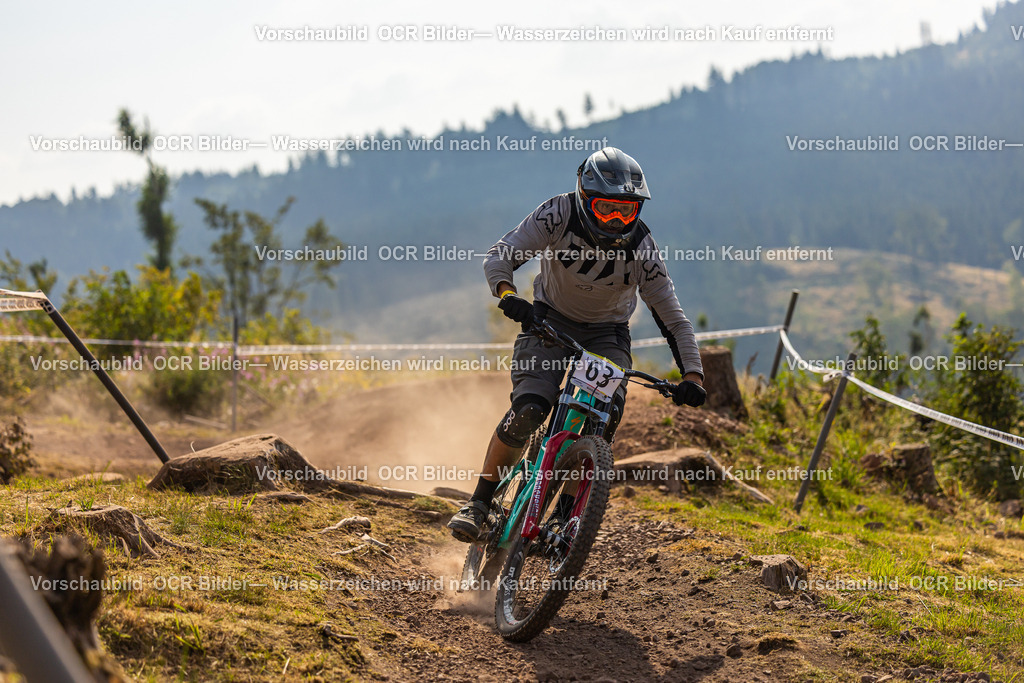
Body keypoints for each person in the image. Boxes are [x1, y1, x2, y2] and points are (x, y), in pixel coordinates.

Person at [447, 147, 707, 543]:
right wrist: (507, 294)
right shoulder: (557, 214)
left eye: (628, 211)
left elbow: (674, 319)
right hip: (547, 320)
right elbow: (501, 255)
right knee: (530, 409)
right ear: (585, 198)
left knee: (602, 421)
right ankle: (479, 503)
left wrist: (692, 375)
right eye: (607, 209)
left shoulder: (642, 249)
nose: (618, 221)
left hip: (608, 333)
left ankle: (565, 519)